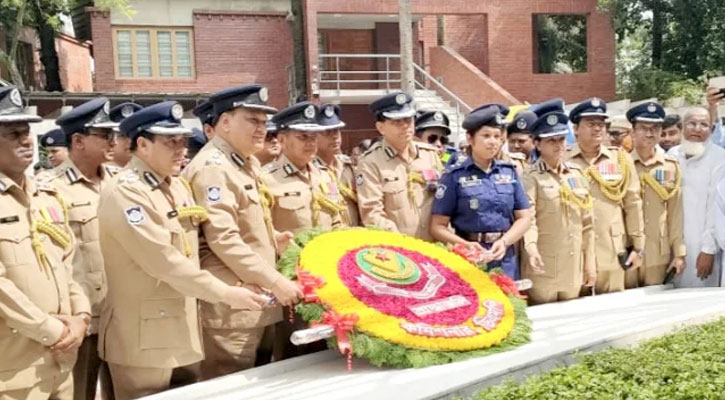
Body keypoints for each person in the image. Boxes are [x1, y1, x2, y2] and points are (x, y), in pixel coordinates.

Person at [97, 101, 268, 400]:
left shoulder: (176, 186)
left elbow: (196, 246)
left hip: (184, 326)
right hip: (143, 336)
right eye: (170, 142)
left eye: (183, 141)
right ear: (142, 144)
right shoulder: (127, 190)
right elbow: (164, 261)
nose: (181, 150)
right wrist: (227, 293)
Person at [182, 85, 302, 380]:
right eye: (252, 120)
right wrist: (275, 281)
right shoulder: (214, 168)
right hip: (231, 307)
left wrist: (273, 238)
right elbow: (222, 238)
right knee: (229, 384)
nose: (262, 129)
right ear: (224, 122)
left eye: (264, 122)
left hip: (255, 301)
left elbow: (244, 225)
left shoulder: (244, 163)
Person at [0, 85, 91, 399]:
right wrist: (53, 332)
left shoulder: (46, 196)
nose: (27, 140)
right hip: (13, 370)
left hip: (60, 361)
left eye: (26, 131)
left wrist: (81, 318)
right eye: (12, 134)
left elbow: (71, 264)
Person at [48, 97, 120, 400]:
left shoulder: (120, 182)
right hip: (84, 317)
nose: (113, 142)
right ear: (78, 140)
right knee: (81, 392)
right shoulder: (50, 188)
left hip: (123, 311)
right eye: (104, 136)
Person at [430, 104, 532, 279]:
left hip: (504, 258)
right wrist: (465, 246)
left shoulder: (509, 172)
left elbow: (524, 218)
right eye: (486, 136)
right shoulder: (454, 176)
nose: (493, 141)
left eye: (497, 136)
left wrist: (504, 242)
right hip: (469, 259)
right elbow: (437, 226)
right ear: (470, 138)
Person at [567, 98, 644, 294]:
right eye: (591, 124)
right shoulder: (564, 160)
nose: (598, 129)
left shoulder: (620, 159)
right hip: (576, 250)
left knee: (614, 310)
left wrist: (638, 246)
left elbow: (633, 203)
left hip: (612, 246)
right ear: (576, 128)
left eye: (601, 124)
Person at [521, 111, 596, 304]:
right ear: (537, 144)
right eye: (551, 140)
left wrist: (589, 263)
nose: (558, 145)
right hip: (543, 264)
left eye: (561, 139)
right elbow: (528, 220)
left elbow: (588, 224)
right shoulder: (531, 177)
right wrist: (531, 249)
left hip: (573, 265)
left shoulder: (577, 174)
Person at [356, 92, 442, 241]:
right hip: (399, 251)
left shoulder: (429, 155)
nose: (404, 126)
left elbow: (444, 199)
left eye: (408, 120)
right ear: (381, 127)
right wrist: (403, 244)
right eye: (396, 121)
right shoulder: (370, 163)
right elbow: (372, 213)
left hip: (436, 246)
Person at [624, 102, 686, 288]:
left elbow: (675, 213)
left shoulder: (670, 166)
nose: (650, 133)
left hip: (658, 251)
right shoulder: (620, 164)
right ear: (632, 131)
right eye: (644, 128)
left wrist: (679, 252)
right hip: (627, 250)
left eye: (655, 128)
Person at [667, 107, 725, 287]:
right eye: (692, 123)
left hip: (702, 246)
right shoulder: (671, 156)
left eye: (704, 125)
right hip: (672, 246)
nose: (697, 129)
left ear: (712, 130)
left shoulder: (719, 158)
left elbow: (715, 208)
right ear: (682, 127)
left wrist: (708, 250)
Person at [265, 102, 345, 234]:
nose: (311, 143)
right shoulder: (267, 179)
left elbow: (336, 218)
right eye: (303, 137)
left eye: (314, 137)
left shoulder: (325, 175)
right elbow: (263, 229)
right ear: (282, 140)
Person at [315, 103, 359, 226]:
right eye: (327, 132)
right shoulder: (311, 170)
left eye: (337, 131)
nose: (334, 136)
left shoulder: (348, 165)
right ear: (314, 136)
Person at [109, 102, 142, 168]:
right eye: (123, 135)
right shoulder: (100, 175)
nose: (130, 141)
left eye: (135, 135)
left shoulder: (158, 173)